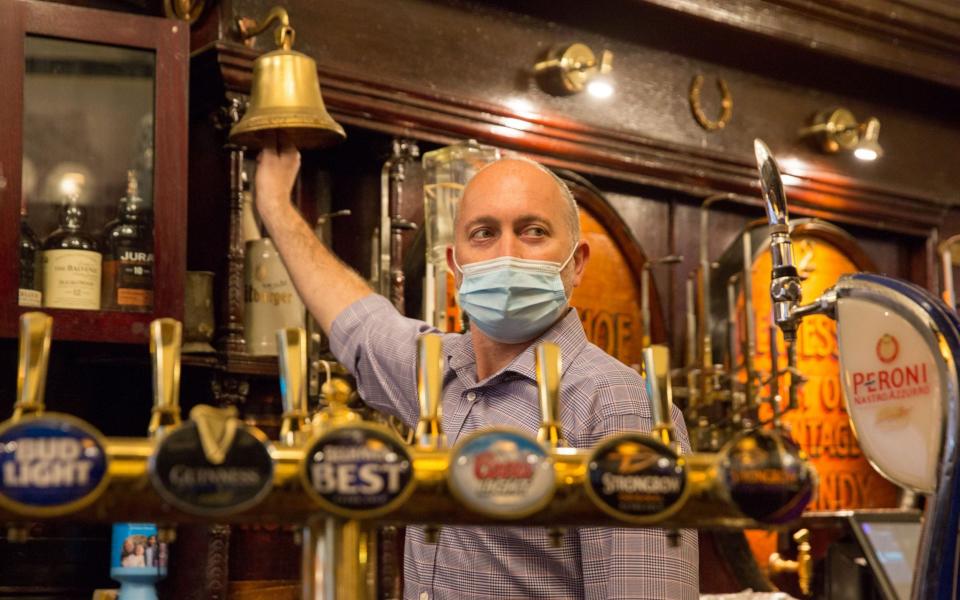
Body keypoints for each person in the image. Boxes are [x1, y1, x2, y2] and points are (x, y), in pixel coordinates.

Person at [254, 134, 698, 600]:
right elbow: (357, 321)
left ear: (578, 262)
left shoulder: (620, 404)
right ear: (454, 264)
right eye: (483, 234)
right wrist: (275, 206)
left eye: (533, 231)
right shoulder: (437, 371)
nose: (507, 253)